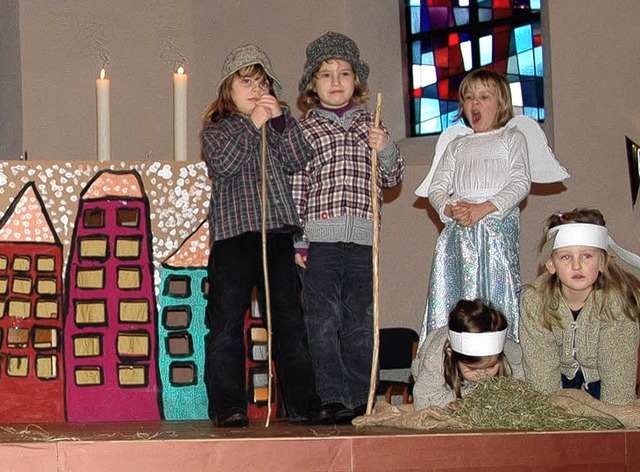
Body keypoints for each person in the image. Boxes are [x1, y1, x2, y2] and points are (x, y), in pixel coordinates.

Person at [201, 44, 332, 427]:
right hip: (234, 237)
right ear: (228, 89)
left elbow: (298, 158)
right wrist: (253, 124)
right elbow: (225, 164)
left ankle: (303, 402)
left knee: (288, 321)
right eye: (246, 82)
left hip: (275, 235)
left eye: (262, 83)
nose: (256, 90)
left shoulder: (277, 126)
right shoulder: (218, 130)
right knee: (226, 323)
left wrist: (279, 123)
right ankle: (228, 404)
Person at [291, 31, 406, 422]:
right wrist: (298, 241)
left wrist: (386, 146)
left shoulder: (371, 124)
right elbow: (296, 188)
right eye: (326, 74)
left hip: (362, 242)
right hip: (319, 244)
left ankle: (362, 396)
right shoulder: (304, 131)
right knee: (322, 322)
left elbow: (392, 178)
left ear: (356, 80)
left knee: (360, 323)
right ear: (312, 84)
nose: (336, 81)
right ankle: (331, 396)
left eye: (344, 73)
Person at [415, 69, 532, 345]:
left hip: (495, 229)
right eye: (468, 98)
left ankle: (501, 355)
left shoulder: (511, 139)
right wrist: (450, 208)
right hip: (460, 231)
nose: (474, 104)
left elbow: (520, 183)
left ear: (501, 103)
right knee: (458, 294)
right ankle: (451, 354)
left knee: (495, 294)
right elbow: (437, 187)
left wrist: (484, 209)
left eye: (483, 97)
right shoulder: (457, 145)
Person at [519, 208, 640, 405]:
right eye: (566, 257)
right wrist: (550, 414)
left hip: (603, 386)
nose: (576, 266)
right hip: (559, 385)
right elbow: (540, 367)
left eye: (586, 256)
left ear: (603, 262)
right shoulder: (535, 301)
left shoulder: (616, 303)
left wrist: (615, 419)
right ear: (551, 265)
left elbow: (618, 370)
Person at [412, 299, 523, 410]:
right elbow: (422, 402)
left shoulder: (512, 353)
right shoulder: (435, 357)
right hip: (434, 378)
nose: (483, 375)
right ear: (451, 353)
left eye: (491, 366)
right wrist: (470, 395)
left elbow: (524, 389)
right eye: (472, 369)